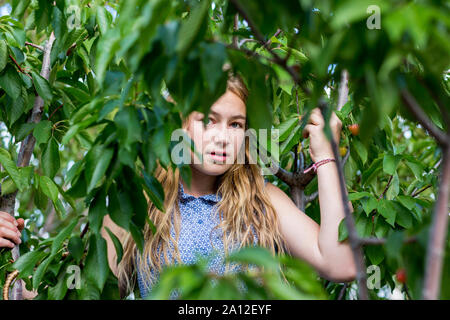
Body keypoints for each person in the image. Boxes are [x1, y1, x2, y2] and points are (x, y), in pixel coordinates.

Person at [0, 75, 357, 299]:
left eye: (235, 125)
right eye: (208, 120)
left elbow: (342, 263)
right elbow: (77, 294)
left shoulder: (264, 200)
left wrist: (325, 156)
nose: (222, 137)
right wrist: (12, 252)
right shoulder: (138, 205)